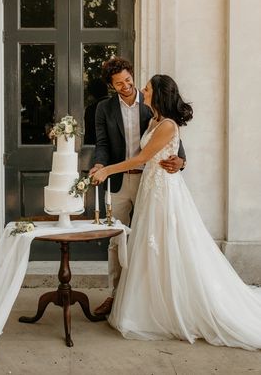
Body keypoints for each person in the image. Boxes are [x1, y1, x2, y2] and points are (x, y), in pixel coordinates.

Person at [92, 75, 261, 350]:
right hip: (151, 189)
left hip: (164, 193)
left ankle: (174, 306)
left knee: (167, 244)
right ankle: (150, 300)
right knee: (147, 247)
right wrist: (103, 163)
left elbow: (142, 158)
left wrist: (108, 170)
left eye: (146, 87)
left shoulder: (167, 125)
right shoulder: (153, 119)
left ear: (157, 94)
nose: (141, 90)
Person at [89, 58, 186, 315]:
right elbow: (102, 144)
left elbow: (171, 131)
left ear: (132, 75)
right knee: (116, 240)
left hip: (150, 180)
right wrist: (100, 165)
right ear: (111, 85)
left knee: (151, 238)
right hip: (120, 184)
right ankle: (116, 296)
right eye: (119, 83)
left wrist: (182, 159)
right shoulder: (103, 109)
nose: (126, 86)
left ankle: (149, 300)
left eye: (128, 80)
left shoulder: (150, 103)